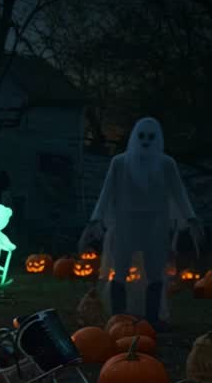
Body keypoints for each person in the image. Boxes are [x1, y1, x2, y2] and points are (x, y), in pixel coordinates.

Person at [80, 117, 199, 330]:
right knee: (121, 269)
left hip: (155, 223)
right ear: (135, 137)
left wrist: (190, 219)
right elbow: (106, 193)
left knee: (155, 272)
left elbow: (179, 193)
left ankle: (151, 319)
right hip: (126, 223)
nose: (145, 141)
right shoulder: (120, 162)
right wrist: (94, 220)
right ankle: (117, 317)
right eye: (141, 136)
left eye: (151, 137)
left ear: (158, 138)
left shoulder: (166, 164)